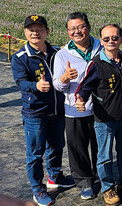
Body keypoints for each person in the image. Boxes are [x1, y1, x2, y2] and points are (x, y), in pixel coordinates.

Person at [75, 24, 122, 205]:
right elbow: (84, 87)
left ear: (121, 39)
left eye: (114, 38)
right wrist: (80, 99)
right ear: (101, 41)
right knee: (105, 155)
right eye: (106, 39)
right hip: (104, 118)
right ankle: (107, 187)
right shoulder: (96, 63)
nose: (111, 41)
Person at [11, 15, 75, 206]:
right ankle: (38, 189)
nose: (35, 33)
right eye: (31, 29)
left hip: (57, 110)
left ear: (47, 31)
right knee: (35, 153)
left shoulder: (57, 53)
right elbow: (20, 82)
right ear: (25, 33)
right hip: (35, 113)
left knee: (56, 146)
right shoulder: (21, 57)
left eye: (39, 29)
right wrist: (35, 86)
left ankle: (55, 178)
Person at [52, 12, 102, 200]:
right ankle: (84, 182)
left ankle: (102, 176)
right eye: (72, 29)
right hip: (75, 108)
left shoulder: (101, 47)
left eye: (80, 27)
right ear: (67, 32)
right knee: (78, 148)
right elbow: (57, 84)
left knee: (101, 146)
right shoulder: (62, 54)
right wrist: (65, 78)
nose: (77, 31)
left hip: (101, 107)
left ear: (88, 27)